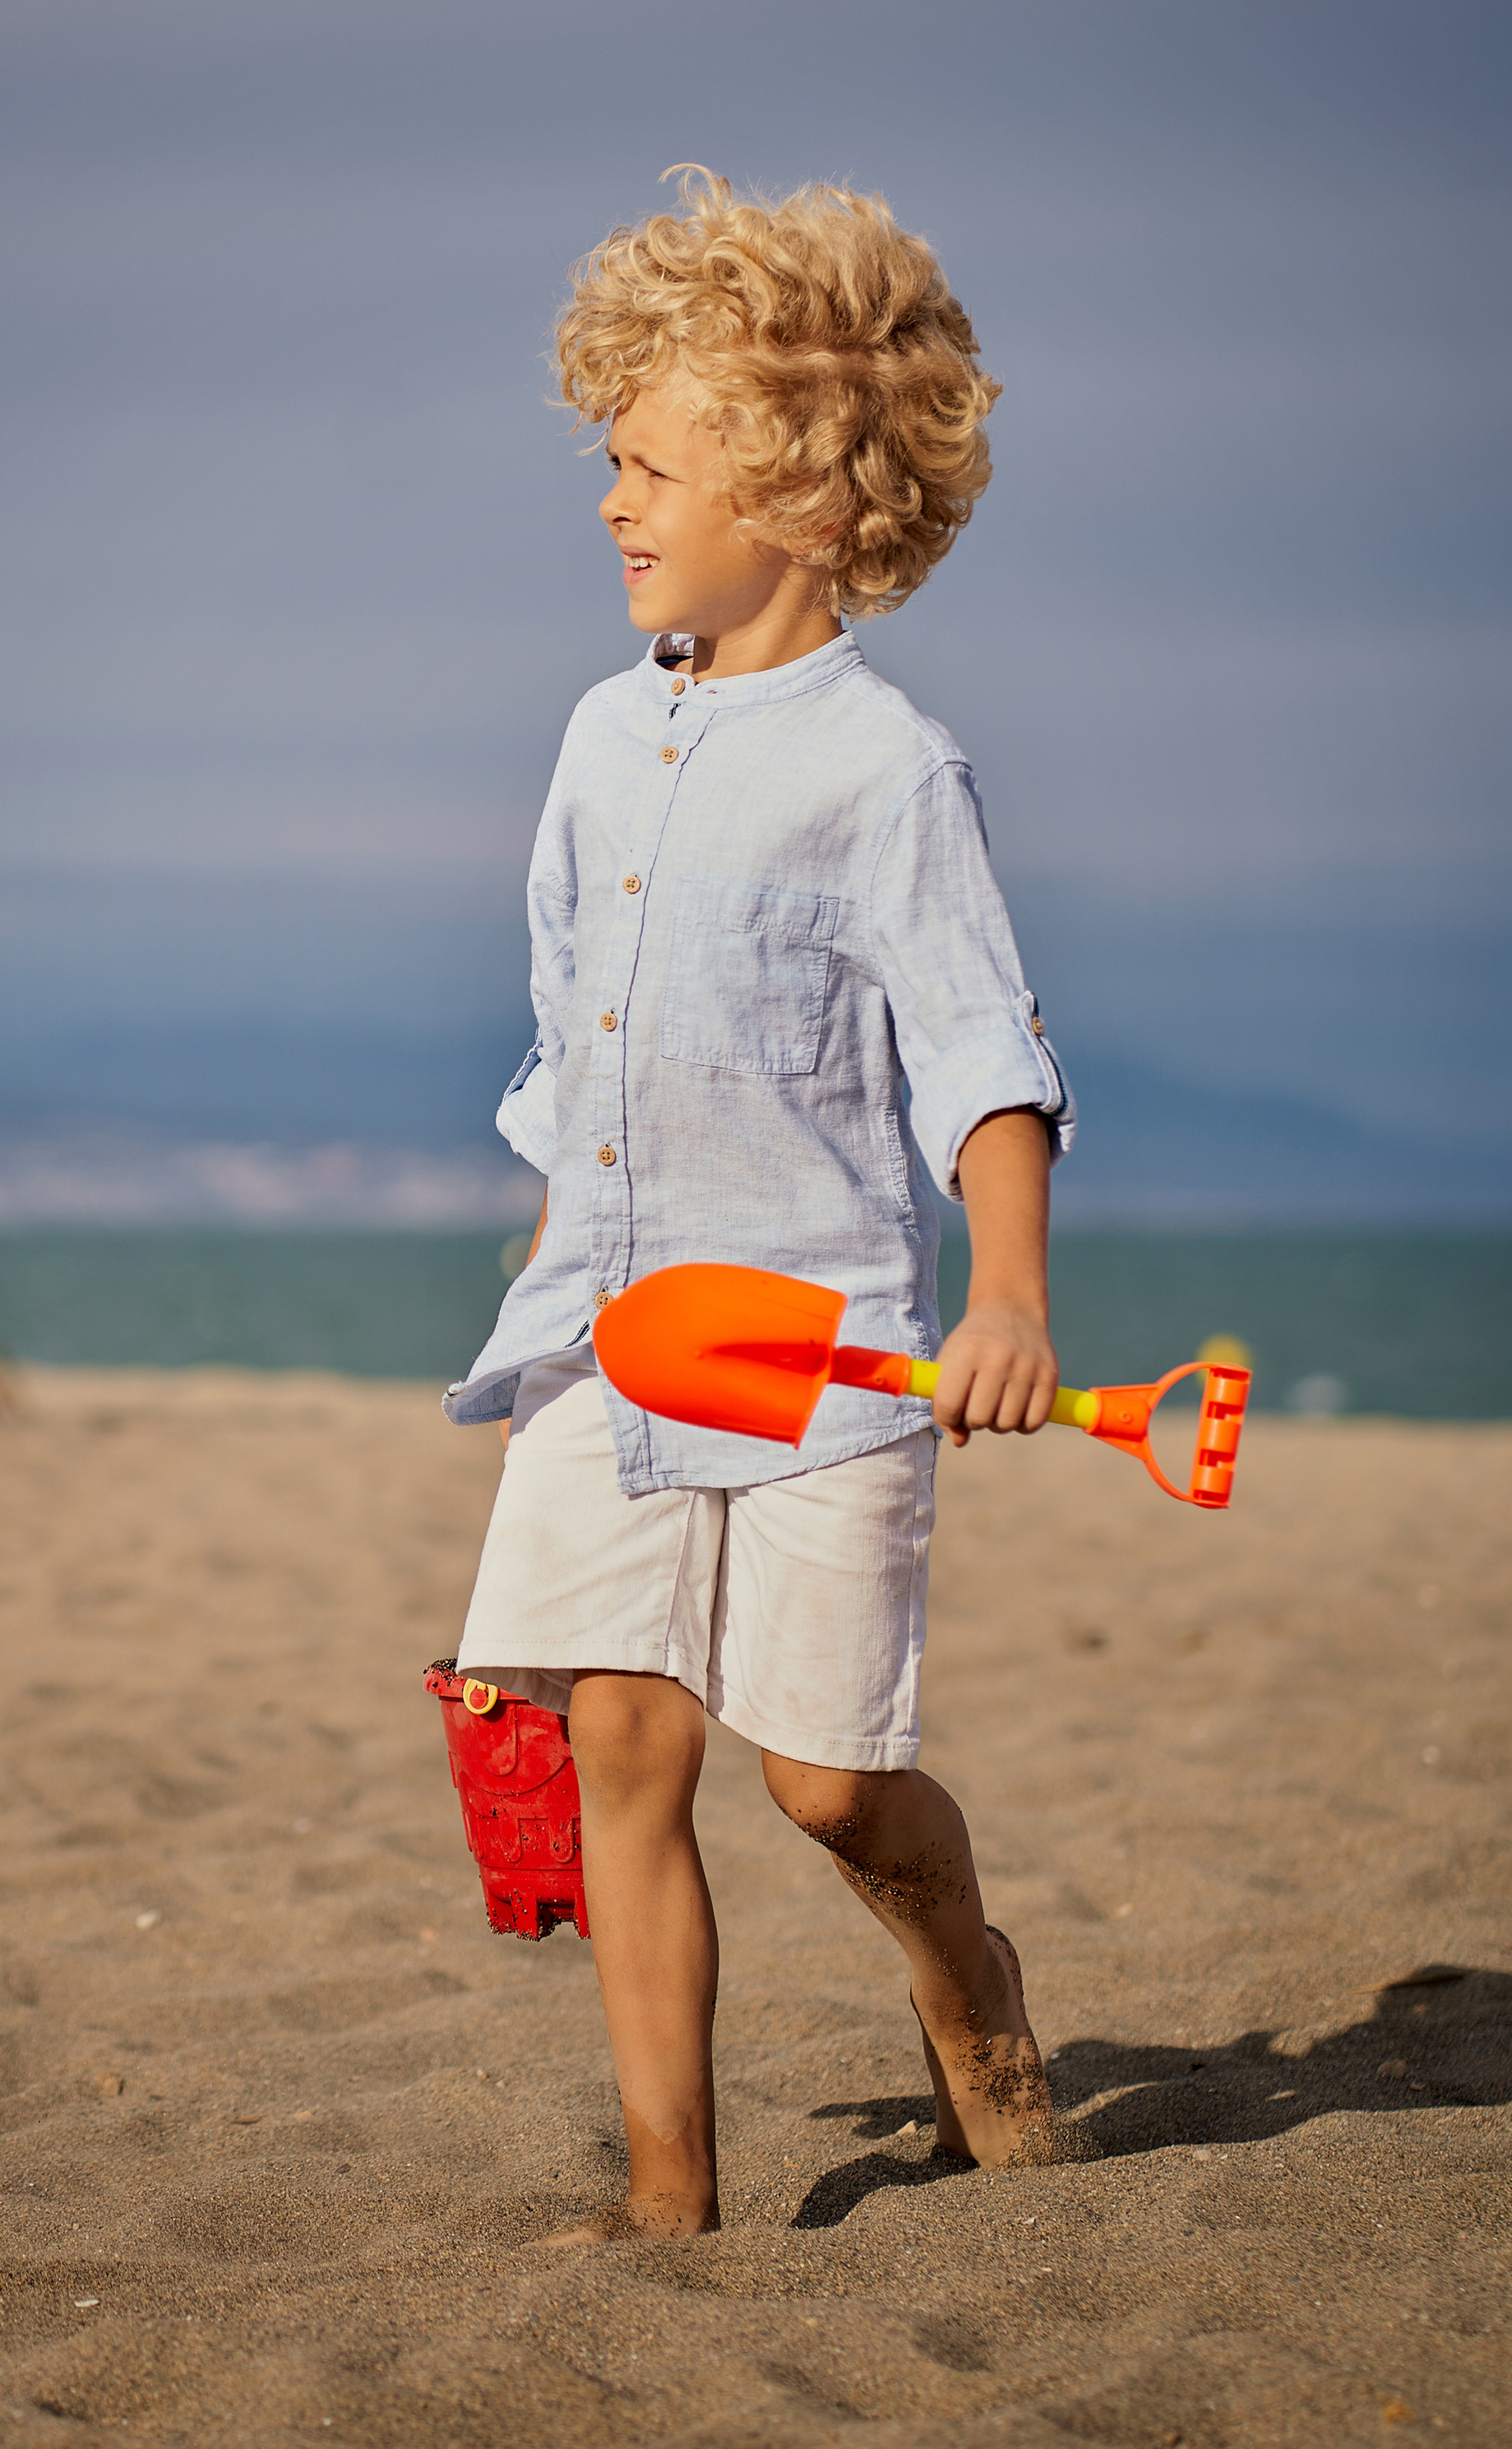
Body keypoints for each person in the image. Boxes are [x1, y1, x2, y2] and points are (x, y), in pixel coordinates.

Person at [446, 169, 1073, 2238]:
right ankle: (666, 2200)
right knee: (622, 1739)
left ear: (794, 484)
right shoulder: (595, 737)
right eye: (606, 458)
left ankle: (961, 1970)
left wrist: (1001, 1298)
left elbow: (982, 1054)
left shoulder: (884, 772)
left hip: (818, 1348)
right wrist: (548, 1285)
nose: (610, 500)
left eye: (644, 461)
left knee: (821, 1783)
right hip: (608, 1335)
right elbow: (575, 1046)